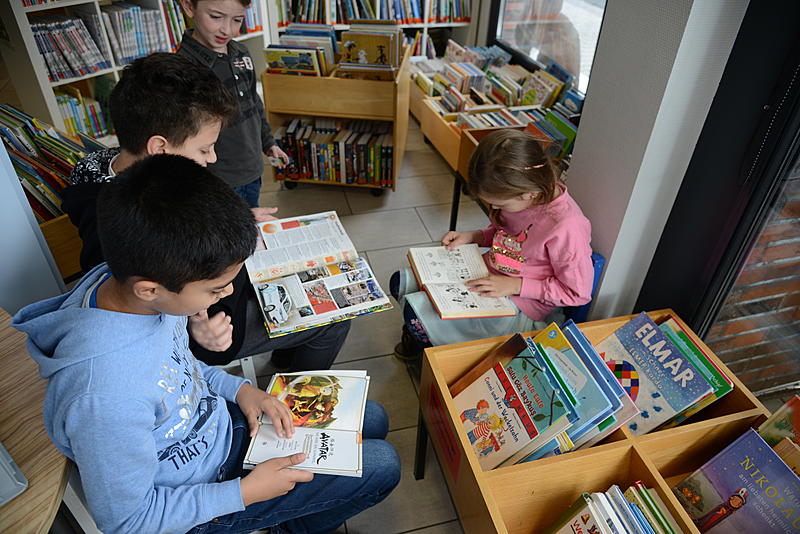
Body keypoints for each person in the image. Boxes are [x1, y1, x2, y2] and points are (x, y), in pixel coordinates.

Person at [13, 155, 400, 534]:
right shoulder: (104, 396)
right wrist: (245, 493)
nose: (227, 293)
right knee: (383, 465)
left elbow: (177, 369)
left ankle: (295, 509)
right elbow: (128, 521)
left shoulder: (130, 288)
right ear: (149, 289)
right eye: (215, 289)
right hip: (204, 498)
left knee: (374, 418)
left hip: (220, 426)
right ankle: (291, 525)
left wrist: (242, 390)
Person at [61, 53, 351, 372]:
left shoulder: (113, 169)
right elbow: (144, 308)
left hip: (225, 286)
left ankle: (285, 357)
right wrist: (195, 333)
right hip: (214, 327)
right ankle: (292, 384)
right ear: (159, 148)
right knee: (335, 318)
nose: (212, 158)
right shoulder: (121, 225)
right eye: (204, 149)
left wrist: (235, 220)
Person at [391, 128, 594, 358]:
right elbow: (504, 234)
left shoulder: (567, 227)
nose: (495, 209)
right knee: (399, 282)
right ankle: (428, 338)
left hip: (519, 305)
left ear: (528, 193)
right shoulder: (524, 197)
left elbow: (577, 293)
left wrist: (515, 286)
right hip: (486, 275)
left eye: (500, 205)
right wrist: (474, 236)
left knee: (415, 316)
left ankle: (432, 349)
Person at [177, 0, 290, 208]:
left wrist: (268, 142)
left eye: (237, 20)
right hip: (217, 179)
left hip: (251, 169)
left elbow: (254, 103)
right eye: (215, 17)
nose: (227, 30)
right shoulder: (183, 68)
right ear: (189, 7)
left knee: (251, 218)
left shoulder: (241, 53)